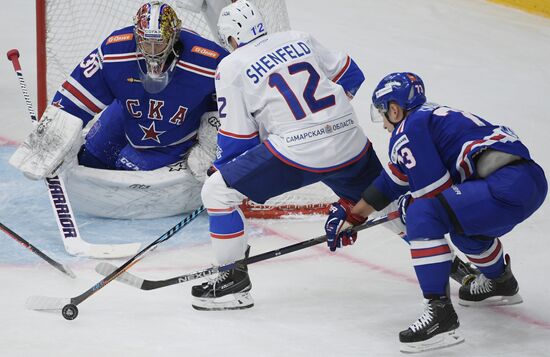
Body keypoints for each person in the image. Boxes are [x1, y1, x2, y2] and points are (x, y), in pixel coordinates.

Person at [332, 72, 547, 353]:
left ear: (395, 109)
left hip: (502, 186)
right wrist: (355, 216)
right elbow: (392, 181)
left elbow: (432, 194)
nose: (384, 123)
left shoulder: (409, 127)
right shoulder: (430, 118)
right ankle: (501, 282)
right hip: (529, 182)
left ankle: (440, 315)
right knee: (464, 231)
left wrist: (409, 209)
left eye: (384, 114)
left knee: (422, 213)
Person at [191, 0, 383, 311]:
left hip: (298, 153)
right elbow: (352, 74)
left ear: (230, 39)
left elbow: (239, 138)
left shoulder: (231, 65)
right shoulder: (298, 37)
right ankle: (464, 269)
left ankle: (232, 284)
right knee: (382, 197)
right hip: (350, 140)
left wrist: (222, 169)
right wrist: (328, 121)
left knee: (217, 191)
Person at [10, 1, 228, 181]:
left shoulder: (209, 60)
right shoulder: (115, 51)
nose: (151, 51)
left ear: (174, 36)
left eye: (159, 43)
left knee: (127, 173)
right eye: (145, 42)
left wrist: (212, 144)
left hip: (173, 137)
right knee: (88, 158)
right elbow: (75, 97)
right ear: (136, 34)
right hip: (126, 117)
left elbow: (237, 104)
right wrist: (50, 144)